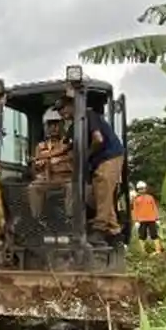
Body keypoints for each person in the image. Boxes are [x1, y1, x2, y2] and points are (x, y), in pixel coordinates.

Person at [56, 95, 125, 245]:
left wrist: (87, 154)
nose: (61, 112)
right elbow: (64, 148)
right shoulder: (74, 127)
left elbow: (98, 139)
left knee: (102, 187)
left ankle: (100, 228)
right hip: (96, 161)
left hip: (110, 155)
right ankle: (114, 231)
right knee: (99, 193)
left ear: (72, 105)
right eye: (58, 110)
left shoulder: (88, 115)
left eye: (63, 108)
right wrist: (45, 157)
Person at [27, 108, 73, 221]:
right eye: (50, 124)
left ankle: (70, 219)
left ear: (63, 125)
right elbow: (34, 169)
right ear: (45, 127)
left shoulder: (69, 144)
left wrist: (59, 160)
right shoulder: (40, 147)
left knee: (72, 187)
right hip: (47, 179)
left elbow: (73, 160)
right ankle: (38, 220)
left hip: (67, 178)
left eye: (56, 124)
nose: (53, 128)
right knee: (33, 187)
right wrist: (38, 165)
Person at [131, 181, 164, 254]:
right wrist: (136, 220)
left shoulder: (150, 197)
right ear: (138, 190)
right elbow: (135, 210)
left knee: (154, 235)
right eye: (140, 189)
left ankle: (158, 250)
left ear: (145, 189)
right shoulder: (136, 199)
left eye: (143, 188)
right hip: (141, 220)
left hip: (151, 219)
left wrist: (157, 218)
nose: (142, 190)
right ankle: (143, 251)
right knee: (142, 236)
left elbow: (154, 207)